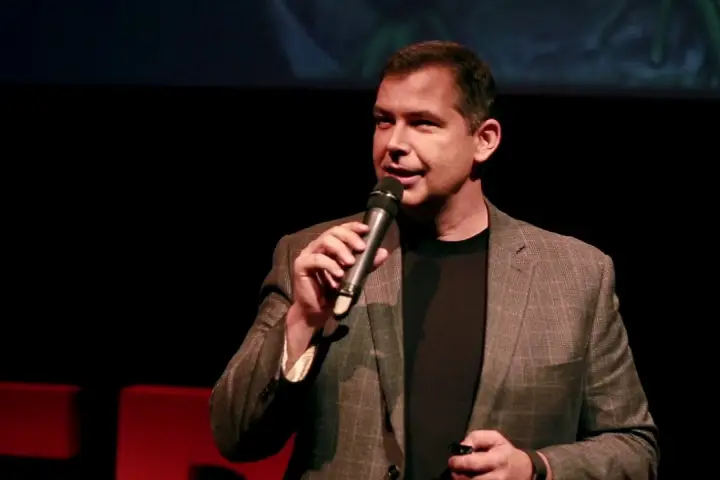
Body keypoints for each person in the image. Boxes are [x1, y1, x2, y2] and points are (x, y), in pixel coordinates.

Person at [209, 40, 659, 480]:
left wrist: (535, 468)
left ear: (484, 140)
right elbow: (234, 436)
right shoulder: (316, 256)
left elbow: (634, 448)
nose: (394, 143)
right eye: (384, 121)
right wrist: (303, 321)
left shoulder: (576, 275)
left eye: (423, 123)